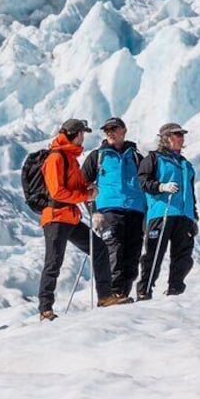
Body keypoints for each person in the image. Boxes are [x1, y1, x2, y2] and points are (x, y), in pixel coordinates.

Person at [38, 119, 131, 321]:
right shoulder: (56, 157)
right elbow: (57, 192)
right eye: (82, 133)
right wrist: (85, 196)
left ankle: (105, 296)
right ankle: (45, 310)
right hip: (55, 217)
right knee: (53, 262)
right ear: (75, 134)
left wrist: (88, 192)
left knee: (99, 248)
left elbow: (77, 189)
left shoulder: (70, 158)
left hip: (69, 217)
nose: (84, 138)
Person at [81, 117, 146, 299]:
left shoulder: (136, 156)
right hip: (109, 210)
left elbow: (146, 183)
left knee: (132, 254)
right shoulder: (97, 156)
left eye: (113, 129)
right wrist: (93, 212)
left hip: (135, 210)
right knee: (114, 250)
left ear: (123, 131)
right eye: (107, 130)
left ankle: (123, 293)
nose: (109, 132)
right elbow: (82, 184)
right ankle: (112, 294)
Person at [136, 122, 198, 300]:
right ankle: (145, 290)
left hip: (184, 215)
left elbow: (191, 193)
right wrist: (161, 186)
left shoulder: (186, 164)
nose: (180, 138)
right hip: (162, 212)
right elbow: (143, 181)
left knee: (183, 255)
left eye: (181, 135)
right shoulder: (153, 159)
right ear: (166, 138)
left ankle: (175, 289)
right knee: (154, 253)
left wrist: (194, 216)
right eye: (176, 135)